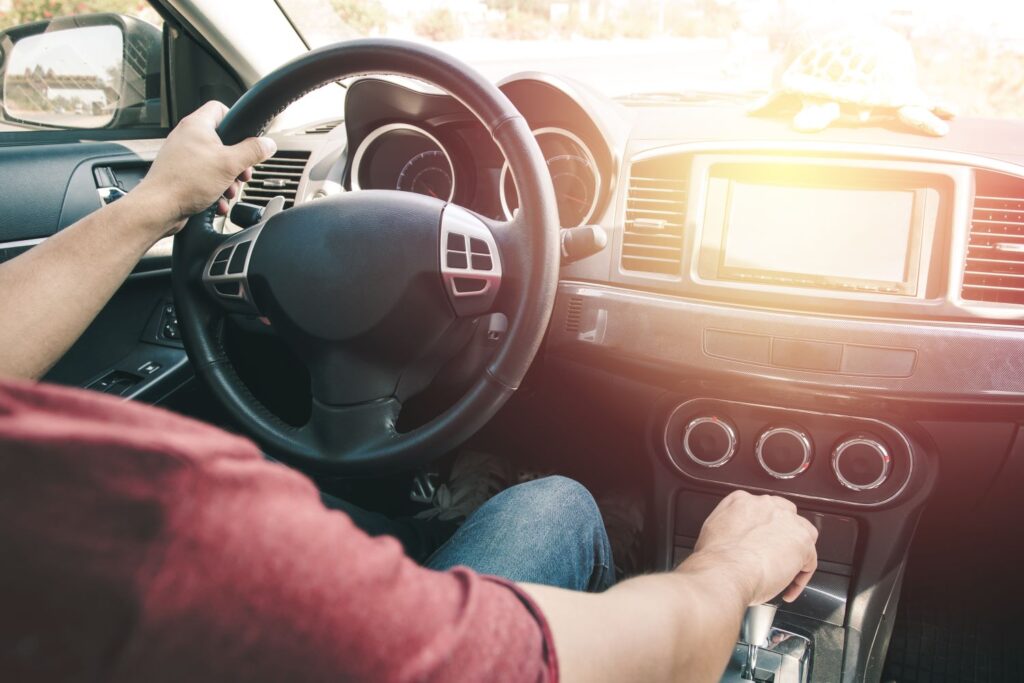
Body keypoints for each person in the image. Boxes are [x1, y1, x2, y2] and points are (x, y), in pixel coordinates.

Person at [0, 101, 818, 682]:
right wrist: (730, 567)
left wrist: (154, 203)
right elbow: (581, 656)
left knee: (392, 520)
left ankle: (439, 537)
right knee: (557, 503)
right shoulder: (173, 529)